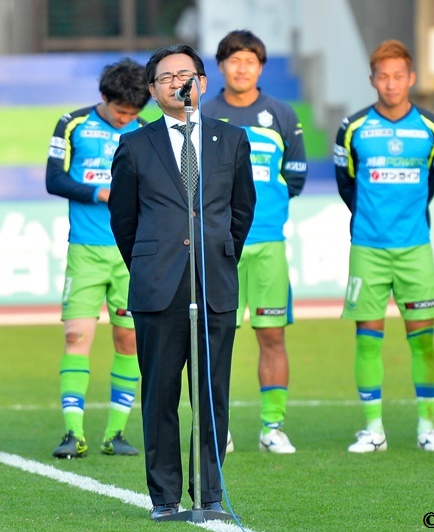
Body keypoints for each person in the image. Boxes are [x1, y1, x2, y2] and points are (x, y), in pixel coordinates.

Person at [108, 44, 255, 520]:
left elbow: (241, 211)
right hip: (158, 287)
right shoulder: (134, 146)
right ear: (152, 91)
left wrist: (214, 252)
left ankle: (209, 496)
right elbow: (123, 220)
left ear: (203, 82)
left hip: (214, 281)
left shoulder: (230, 141)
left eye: (185, 74)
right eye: (166, 77)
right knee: (160, 397)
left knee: (211, 395)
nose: (177, 83)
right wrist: (152, 264)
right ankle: (166, 499)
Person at [334, 40, 434, 453]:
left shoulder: (432, 127)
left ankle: (427, 427)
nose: (391, 83)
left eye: (399, 75)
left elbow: (431, 183)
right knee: (368, 337)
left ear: (411, 78)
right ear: (372, 80)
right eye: (383, 76)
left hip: (415, 248)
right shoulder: (353, 128)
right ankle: (374, 430)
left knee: (423, 338)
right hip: (368, 247)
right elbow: (347, 183)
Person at [202, 29, 307, 455]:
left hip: (267, 244)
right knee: (217, 337)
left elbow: (294, 177)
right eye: (233, 60)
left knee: (272, 336)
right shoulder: (204, 115)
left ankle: (272, 427)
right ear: (221, 66)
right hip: (219, 247)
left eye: (250, 60)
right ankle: (217, 428)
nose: (241, 67)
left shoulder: (282, 114)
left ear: (261, 67)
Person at [45, 59, 151, 459]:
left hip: (132, 254)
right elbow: (54, 179)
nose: (126, 120)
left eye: (133, 113)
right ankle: (73, 433)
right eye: (120, 112)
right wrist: (100, 193)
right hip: (86, 251)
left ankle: (116, 434)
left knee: (128, 340)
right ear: (103, 98)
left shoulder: (146, 130)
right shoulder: (72, 124)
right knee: (76, 337)